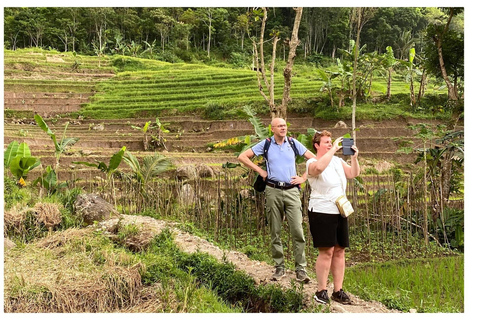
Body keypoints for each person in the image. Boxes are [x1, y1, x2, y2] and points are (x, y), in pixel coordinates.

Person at [238, 117, 315, 283]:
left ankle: (300, 269)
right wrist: (260, 170)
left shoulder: (293, 143)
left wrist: (304, 177)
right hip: (272, 190)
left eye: (284, 125)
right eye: (279, 126)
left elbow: (314, 160)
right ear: (272, 129)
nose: (283, 128)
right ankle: (279, 267)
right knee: (275, 230)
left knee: (297, 230)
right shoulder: (265, 144)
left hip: (292, 191)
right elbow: (242, 156)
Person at [305, 130, 360, 304]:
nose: (330, 144)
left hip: (339, 209)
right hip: (321, 210)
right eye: (326, 142)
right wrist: (333, 150)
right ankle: (321, 290)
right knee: (326, 250)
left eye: (331, 142)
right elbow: (319, 168)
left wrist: (354, 158)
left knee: (339, 249)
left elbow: (352, 174)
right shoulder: (312, 162)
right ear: (317, 145)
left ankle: (338, 290)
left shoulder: (337, 161)